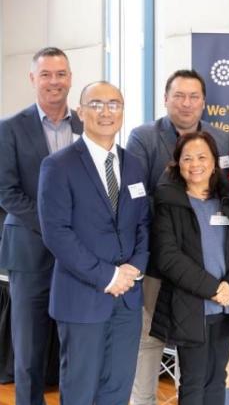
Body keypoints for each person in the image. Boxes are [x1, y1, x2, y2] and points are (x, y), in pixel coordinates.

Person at [126, 68, 229, 405]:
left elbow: (227, 198)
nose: (186, 103)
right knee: (149, 346)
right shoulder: (143, 137)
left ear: (204, 101)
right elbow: (137, 198)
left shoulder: (223, 139)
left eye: (194, 96)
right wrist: (176, 231)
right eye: (179, 95)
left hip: (208, 273)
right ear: (165, 98)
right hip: (161, 264)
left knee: (201, 366)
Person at [38, 81, 150, 404]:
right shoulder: (58, 166)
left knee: (117, 389)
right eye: (96, 104)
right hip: (82, 298)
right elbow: (56, 234)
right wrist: (108, 276)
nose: (106, 112)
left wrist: (134, 269)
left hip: (128, 300)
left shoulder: (134, 165)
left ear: (122, 112)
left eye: (114, 104)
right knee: (79, 391)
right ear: (80, 111)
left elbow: (143, 222)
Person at [149, 131, 229, 404]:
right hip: (192, 306)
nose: (195, 164)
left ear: (214, 162)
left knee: (216, 378)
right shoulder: (168, 199)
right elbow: (168, 257)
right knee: (194, 381)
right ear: (178, 163)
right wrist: (213, 289)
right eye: (187, 158)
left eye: (202, 157)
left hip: (227, 306)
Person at [0, 47, 83, 405]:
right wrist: (54, 227)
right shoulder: (9, 129)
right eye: (46, 74)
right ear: (33, 79)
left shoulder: (87, 125)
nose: (54, 81)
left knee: (74, 348)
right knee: (29, 351)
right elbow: (7, 192)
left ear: (70, 78)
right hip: (30, 253)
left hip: (80, 258)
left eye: (61, 74)